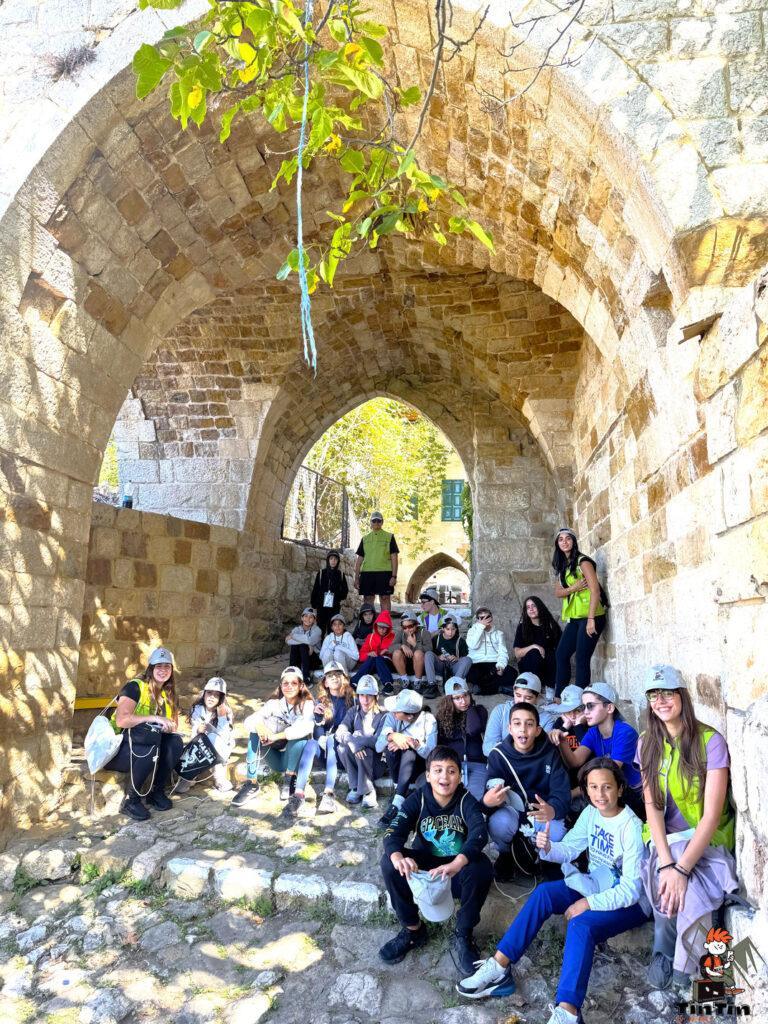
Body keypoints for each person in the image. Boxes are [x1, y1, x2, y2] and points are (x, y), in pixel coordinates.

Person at [458, 758, 649, 1024]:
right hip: (596, 884)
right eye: (593, 787)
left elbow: (631, 890)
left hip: (631, 902)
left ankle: (568, 1012)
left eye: (607, 787)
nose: (600, 794)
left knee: (581, 924)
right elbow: (570, 848)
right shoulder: (591, 813)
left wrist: (588, 904)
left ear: (620, 788)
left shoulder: (631, 826)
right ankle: (499, 967)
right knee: (545, 893)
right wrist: (547, 847)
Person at [638, 665, 736, 990]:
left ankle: (668, 954)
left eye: (667, 692)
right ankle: (684, 964)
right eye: (653, 695)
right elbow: (652, 806)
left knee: (682, 880)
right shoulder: (647, 743)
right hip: (666, 840)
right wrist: (669, 864)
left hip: (707, 838)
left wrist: (680, 869)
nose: (660, 700)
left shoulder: (710, 742)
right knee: (668, 873)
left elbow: (711, 816)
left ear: (682, 696)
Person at [379, 745, 494, 974]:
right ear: (428, 775)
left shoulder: (466, 800)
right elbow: (393, 831)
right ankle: (413, 930)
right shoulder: (418, 798)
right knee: (388, 862)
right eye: (438, 770)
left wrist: (457, 863)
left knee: (482, 867)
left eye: (451, 771)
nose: (445, 776)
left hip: (454, 871)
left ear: (459, 777)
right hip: (424, 871)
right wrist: (398, 856)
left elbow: (479, 832)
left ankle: (463, 934)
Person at [483, 702, 571, 882]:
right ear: (509, 728)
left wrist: (553, 809)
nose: (523, 729)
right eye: (517, 723)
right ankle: (506, 854)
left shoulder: (550, 753)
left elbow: (562, 793)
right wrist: (488, 802)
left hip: (541, 812)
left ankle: (545, 859)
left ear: (538, 730)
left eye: (529, 724)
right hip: (513, 812)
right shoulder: (498, 755)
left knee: (556, 831)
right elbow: (488, 797)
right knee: (499, 823)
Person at [107, 647, 184, 821]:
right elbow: (121, 720)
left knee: (174, 742)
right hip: (117, 748)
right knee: (149, 741)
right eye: (158, 666)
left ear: (171, 670)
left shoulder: (168, 693)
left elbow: (173, 725)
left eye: (167, 666)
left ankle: (156, 792)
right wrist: (154, 718)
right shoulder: (135, 687)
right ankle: (131, 800)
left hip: (144, 745)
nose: (163, 670)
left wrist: (167, 727)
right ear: (151, 668)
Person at [550, 681, 644, 820]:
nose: (585, 712)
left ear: (609, 708)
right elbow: (574, 761)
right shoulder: (594, 732)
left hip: (634, 795)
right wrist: (562, 741)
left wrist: (571, 794)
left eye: (590, 706)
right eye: (584, 707)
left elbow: (607, 775)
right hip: (611, 791)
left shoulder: (625, 732)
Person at [232, 667, 315, 812]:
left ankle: (290, 780)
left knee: (300, 736)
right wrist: (259, 726)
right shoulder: (273, 704)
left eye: (294, 683)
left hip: (293, 758)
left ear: (301, 686)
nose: (289, 686)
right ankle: (251, 783)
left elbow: (305, 727)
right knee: (254, 732)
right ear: (281, 686)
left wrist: (276, 736)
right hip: (276, 758)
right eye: (285, 683)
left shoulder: (307, 704)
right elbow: (249, 721)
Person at [295, 662, 355, 817]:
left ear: (344, 678)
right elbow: (317, 734)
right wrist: (317, 719)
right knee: (311, 743)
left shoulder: (353, 700)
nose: (334, 678)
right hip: (325, 752)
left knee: (331, 740)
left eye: (337, 674)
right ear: (325, 682)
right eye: (330, 676)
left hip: (342, 753)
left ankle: (328, 794)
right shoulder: (321, 701)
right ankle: (298, 794)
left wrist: (331, 738)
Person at [552, 528, 607, 695]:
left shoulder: (583, 562)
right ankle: (559, 696)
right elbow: (558, 593)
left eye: (568, 538)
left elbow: (595, 590)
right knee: (561, 654)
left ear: (574, 541)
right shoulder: (563, 566)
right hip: (576, 618)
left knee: (581, 657)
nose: (564, 542)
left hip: (592, 616)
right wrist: (573, 588)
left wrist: (591, 619)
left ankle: (580, 698)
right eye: (561, 539)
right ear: (557, 544)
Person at [376, 689, 437, 827]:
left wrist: (413, 743)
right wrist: (392, 736)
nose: (393, 712)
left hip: (419, 766)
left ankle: (397, 803)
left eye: (397, 711)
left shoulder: (428, 720)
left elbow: (432, 754)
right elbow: (378, 746)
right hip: (398, 769)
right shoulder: (391, 716)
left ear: (409, 716)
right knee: (390, 746)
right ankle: (399, 791)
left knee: (408, 750)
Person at [336, 675, 387, 809]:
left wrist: (358, 741)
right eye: (362, 695)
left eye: (369, 695)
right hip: (357, 761)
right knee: (342, 748)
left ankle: (368, 790)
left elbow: (377, 741)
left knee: (364, 749)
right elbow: (340, 732)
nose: (365, 699)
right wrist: (352, 742)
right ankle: (355, 786)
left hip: (376, 763)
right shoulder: (353, 711)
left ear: (376, 697)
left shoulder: (383, 715)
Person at [482, 672, 559, 757]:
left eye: (528, 698)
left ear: (537, 698)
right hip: (503, 763)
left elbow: (544, 750)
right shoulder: (500, 711)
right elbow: (487, 748)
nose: (522, 701)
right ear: (513, 693)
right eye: (518, 695)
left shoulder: (546, 719)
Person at [435, 678, 488, 801]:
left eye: (465, 695)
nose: (463, 701)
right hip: (452, 765)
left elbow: (473, 729)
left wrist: (470, 707)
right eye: (457, 698)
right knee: (449, 799)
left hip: (476, 764)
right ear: (449, 700)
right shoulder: (442, 718)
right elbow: (439, 745)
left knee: (474, 798)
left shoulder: (479, 711)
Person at [544, 685, 588, 815]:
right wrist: (563, 728)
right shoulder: (560, 723)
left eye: (577, 711)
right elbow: (552, 747)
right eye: (568, 711)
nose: (573, 716)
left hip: (584, 780)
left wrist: (579, 726)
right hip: (566, 778)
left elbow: (588, 747)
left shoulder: (589, 725)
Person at [186, 676, 235, 792]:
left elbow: (226, 736)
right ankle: (189, 776)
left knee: (213, 739)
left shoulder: (226, 711)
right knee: (199, 742)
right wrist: (198, 729)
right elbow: (194, 730)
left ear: (221, 698)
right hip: (201, 743)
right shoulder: (197, 708)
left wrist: (222, 717)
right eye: (209, 693)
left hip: (220, 747)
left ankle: (219, 778)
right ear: (204, 693)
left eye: (216, 695)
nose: (212, 697)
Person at [513, 595, 562, 700]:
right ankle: (534, 689)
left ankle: (550, 688)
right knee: (535, 652)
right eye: (528, 607)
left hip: (548, 665)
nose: (531, 609)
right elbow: (517, 653)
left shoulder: (551, 625)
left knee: (552, 653)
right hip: (530, 666)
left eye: (533, 606)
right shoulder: (522, 627)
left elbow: (561, 648)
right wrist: (534, 646)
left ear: (540, 607)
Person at [465, 607, 517, 695]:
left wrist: (501, 666)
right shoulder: (472, 631)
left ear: (491, 617)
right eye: (482, 618)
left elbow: (503, 652)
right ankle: (499, 688)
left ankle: (481, 689)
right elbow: (473, 645)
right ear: (477, 620)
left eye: (488, 616)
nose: (485, 619)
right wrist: (481, 626)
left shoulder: (499, 634)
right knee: (472, 674)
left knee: (512, 673)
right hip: (477, 663)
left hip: (494, 663)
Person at [354, 511, 399, 611]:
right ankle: (369, 621)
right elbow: (359, 560)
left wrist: (394, 576)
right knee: (368, 599)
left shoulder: (389, 537)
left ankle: (385, 621)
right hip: (367, 573)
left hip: (385, 573)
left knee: (385, 598)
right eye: (374, 520)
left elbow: (394, 558)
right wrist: (356, 578)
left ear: (382, 522)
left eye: (379, 520)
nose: (376, 523)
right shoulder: (365, 539)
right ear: (370, 522)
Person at [424, 617, 472, 697]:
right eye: (448, 629)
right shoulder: (436, 639)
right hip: (440, 665)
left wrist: (457, 658)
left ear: (456, 629)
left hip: (454, 666)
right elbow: (431, 653)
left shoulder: (460, 641)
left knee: (468, 660)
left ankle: (455, 685)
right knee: (428, 654)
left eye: (453, 629)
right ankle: (432, 685)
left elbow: (465, 657)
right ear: (443, 628)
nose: (450, 632)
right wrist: (439, 656)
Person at [351, 610, 396, 693]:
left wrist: (388, 651)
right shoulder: (370, 637)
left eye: (385, 627)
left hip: (387, 664)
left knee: (378, 657)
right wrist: (368, 654)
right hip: (372, 664)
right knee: (373, 657)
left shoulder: (393, 637)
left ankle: (354, 681)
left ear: (388, 628)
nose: (382, 630)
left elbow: (398, 649)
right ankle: (388, 684)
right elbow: (361, 656)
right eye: (380, 627)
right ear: (376, 626)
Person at [310, 549, 349, 634]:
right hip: (321, 606)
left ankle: (331, 642)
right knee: (320, 629)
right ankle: (321, 642)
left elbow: (345, 590)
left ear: (338, 561)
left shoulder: (340, 575)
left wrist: (337, 597)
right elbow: (315, 589)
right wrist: (314, 603)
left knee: (333, 628)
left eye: (335, 559)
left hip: (334, 607)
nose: (333, 561)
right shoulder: (321, 573)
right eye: (331, 558)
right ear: (328, 560)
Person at [390, 615, 432, 692]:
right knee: (396, 653)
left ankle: (417, 682)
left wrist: (414, 644)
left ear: (416, 624)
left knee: (418, 653)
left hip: (420, 666)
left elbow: (429, 649)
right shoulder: (401, 633)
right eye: (404, 627)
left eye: (410, 626)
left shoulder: (424, 632)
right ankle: (405, 681)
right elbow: (390, 648)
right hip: (404, 665)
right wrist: (402, 646)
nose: (407, 629)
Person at [286, 607, 323, 681]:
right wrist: (308, 644)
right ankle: (292, 673)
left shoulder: (317, 630)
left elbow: (310, 640)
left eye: (311, 617)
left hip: (313, 659)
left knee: (303, 646)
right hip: (301, 657)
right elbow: (288, 641)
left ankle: (306, 677)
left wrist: (293, 636)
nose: (308, 619)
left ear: (314, 620)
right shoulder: (297, 629)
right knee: (295, 646)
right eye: (306, 616)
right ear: (302, 618)